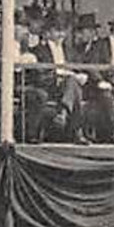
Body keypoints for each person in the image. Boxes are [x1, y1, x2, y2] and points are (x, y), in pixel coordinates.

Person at [28, 15, 87, 143]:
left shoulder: (70, 51)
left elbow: (79, 68)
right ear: (48, 33)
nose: (61, 34)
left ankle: (63, 113)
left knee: (74, 84)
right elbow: (39, 75)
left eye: (63, 31)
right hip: (48, 85)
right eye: (57, 31)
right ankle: (76, 131)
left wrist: (81, 75)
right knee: (73, 85)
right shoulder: (39, 50)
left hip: (66, 89)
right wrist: (65, 74)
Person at [82, 10, 114, 143]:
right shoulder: (100, 44)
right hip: (99, 88)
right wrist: (100, 81)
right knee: (106, 96)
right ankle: (110, 133)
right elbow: (91, 65)